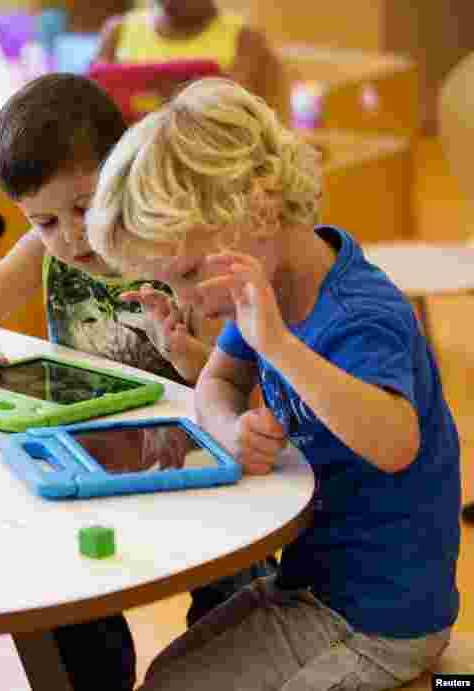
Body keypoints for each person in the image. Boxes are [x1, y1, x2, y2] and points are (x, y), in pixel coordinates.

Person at [87, 77, 460, 690]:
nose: (189, 305)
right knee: (167, 676)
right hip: (314, 586)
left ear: (255, 211)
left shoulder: (359, 313)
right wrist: (230, 426)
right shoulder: (266, 288)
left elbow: (397, 442)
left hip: (381, 622)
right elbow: (216, 381)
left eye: (185, 274)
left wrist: (278, 346)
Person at [0, 73, 273, 690]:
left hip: (195, 470)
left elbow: (232, 382)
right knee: (66, 607)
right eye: (44, 220)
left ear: (126, 173)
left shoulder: (175, 249)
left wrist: (184, 348)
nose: (70, 236)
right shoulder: (46, 252)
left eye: (84, 208)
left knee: (233, 605)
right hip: (87, 461)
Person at [95, 0, 282, 115]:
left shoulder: (246, 38)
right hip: (129, 162)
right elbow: (92, 110)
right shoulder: (118, 31)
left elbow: (265, 121)